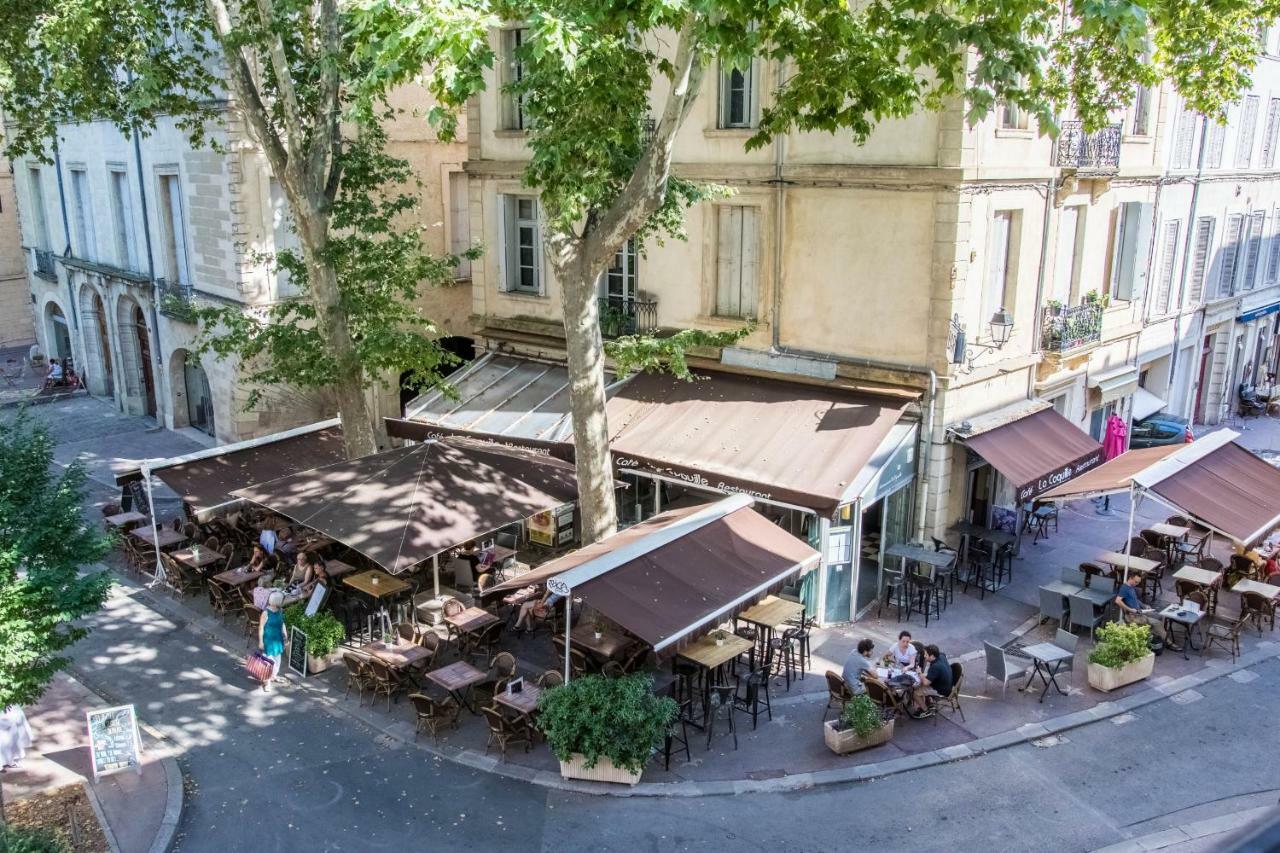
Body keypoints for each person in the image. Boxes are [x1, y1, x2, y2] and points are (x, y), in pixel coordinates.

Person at [1114, 574, 1179, 650]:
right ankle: (1166, 642)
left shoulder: (1131, 587)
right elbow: (1118, 601)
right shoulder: (1124, 588)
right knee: (1156, 623)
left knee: (1158, 619)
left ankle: (1163, 639)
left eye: (1138, 582)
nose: (1137, 584)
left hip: (1139, 613)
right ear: (1130, 578)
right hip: (1133, 616)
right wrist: (1130, 610)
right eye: (1136, 582)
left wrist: (1144, 605)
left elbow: (1135, 600)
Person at [258, 590, 287, 691]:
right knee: (268, 662)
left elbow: (282, 623)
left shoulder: (280, 611)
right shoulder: (266, 613)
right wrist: (261, 641)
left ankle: (273, 675)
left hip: (278, 639)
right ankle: (267, 682)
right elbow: (261, 627)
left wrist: (285, 634)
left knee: (277, 660)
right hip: (269, 640)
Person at [912, 645, 953, 715]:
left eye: (926, 654)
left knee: (915, 693)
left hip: (941, 690)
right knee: (920, 683)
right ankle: (928, 702)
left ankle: (925, 710)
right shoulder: (941, 655)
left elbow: (925, 683)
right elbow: (943, 654)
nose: (924, 656)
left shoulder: (935, 667)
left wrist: (919, 672)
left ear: (932, 656)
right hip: (947, 684)